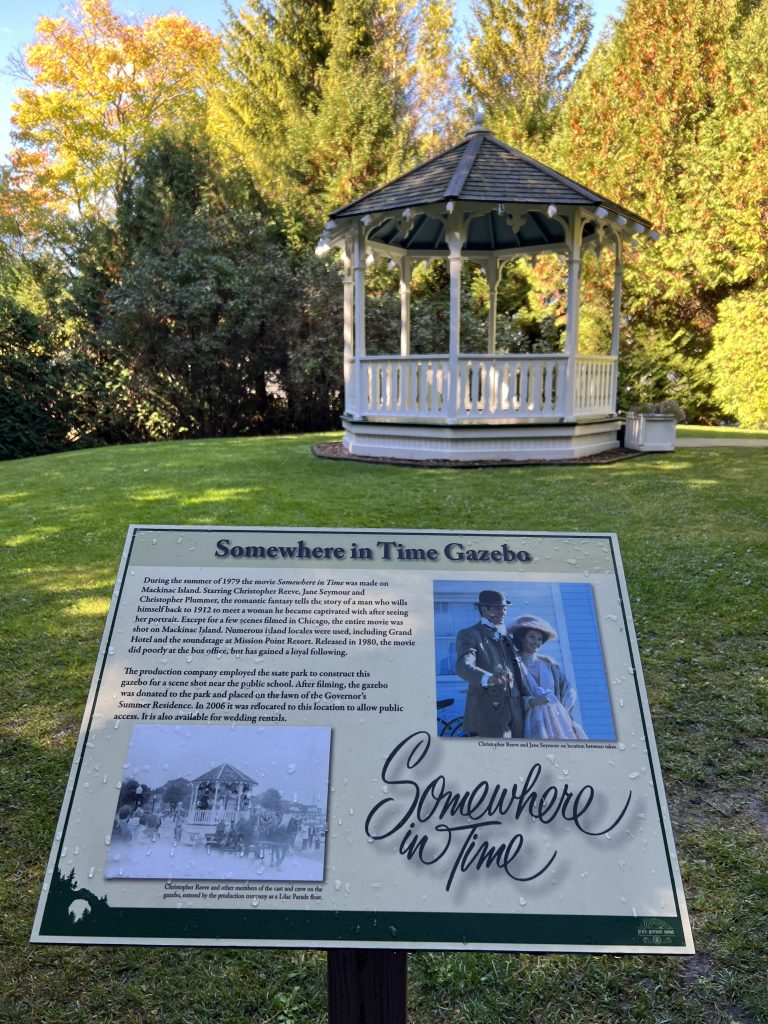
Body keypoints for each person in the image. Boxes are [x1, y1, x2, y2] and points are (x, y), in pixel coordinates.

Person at [454, 590, 524, 738]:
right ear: (483, 609)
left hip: (516, 711)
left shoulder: (507, 636)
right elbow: (463, 665)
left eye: (504, 608)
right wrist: (488, 678)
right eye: (496, 608)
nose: (502, 612)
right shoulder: (469, 634)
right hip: (487, 711)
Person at [509, 614, 588, 740]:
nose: (536, 642)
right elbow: (508, 696)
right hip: (530, 722)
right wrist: (530, 702)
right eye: (532, 636)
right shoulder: (514, 665)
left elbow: (568, 690)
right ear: (522, 638)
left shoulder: (550, 664)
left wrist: (563, 711)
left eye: (540, 639)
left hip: (559, 720)